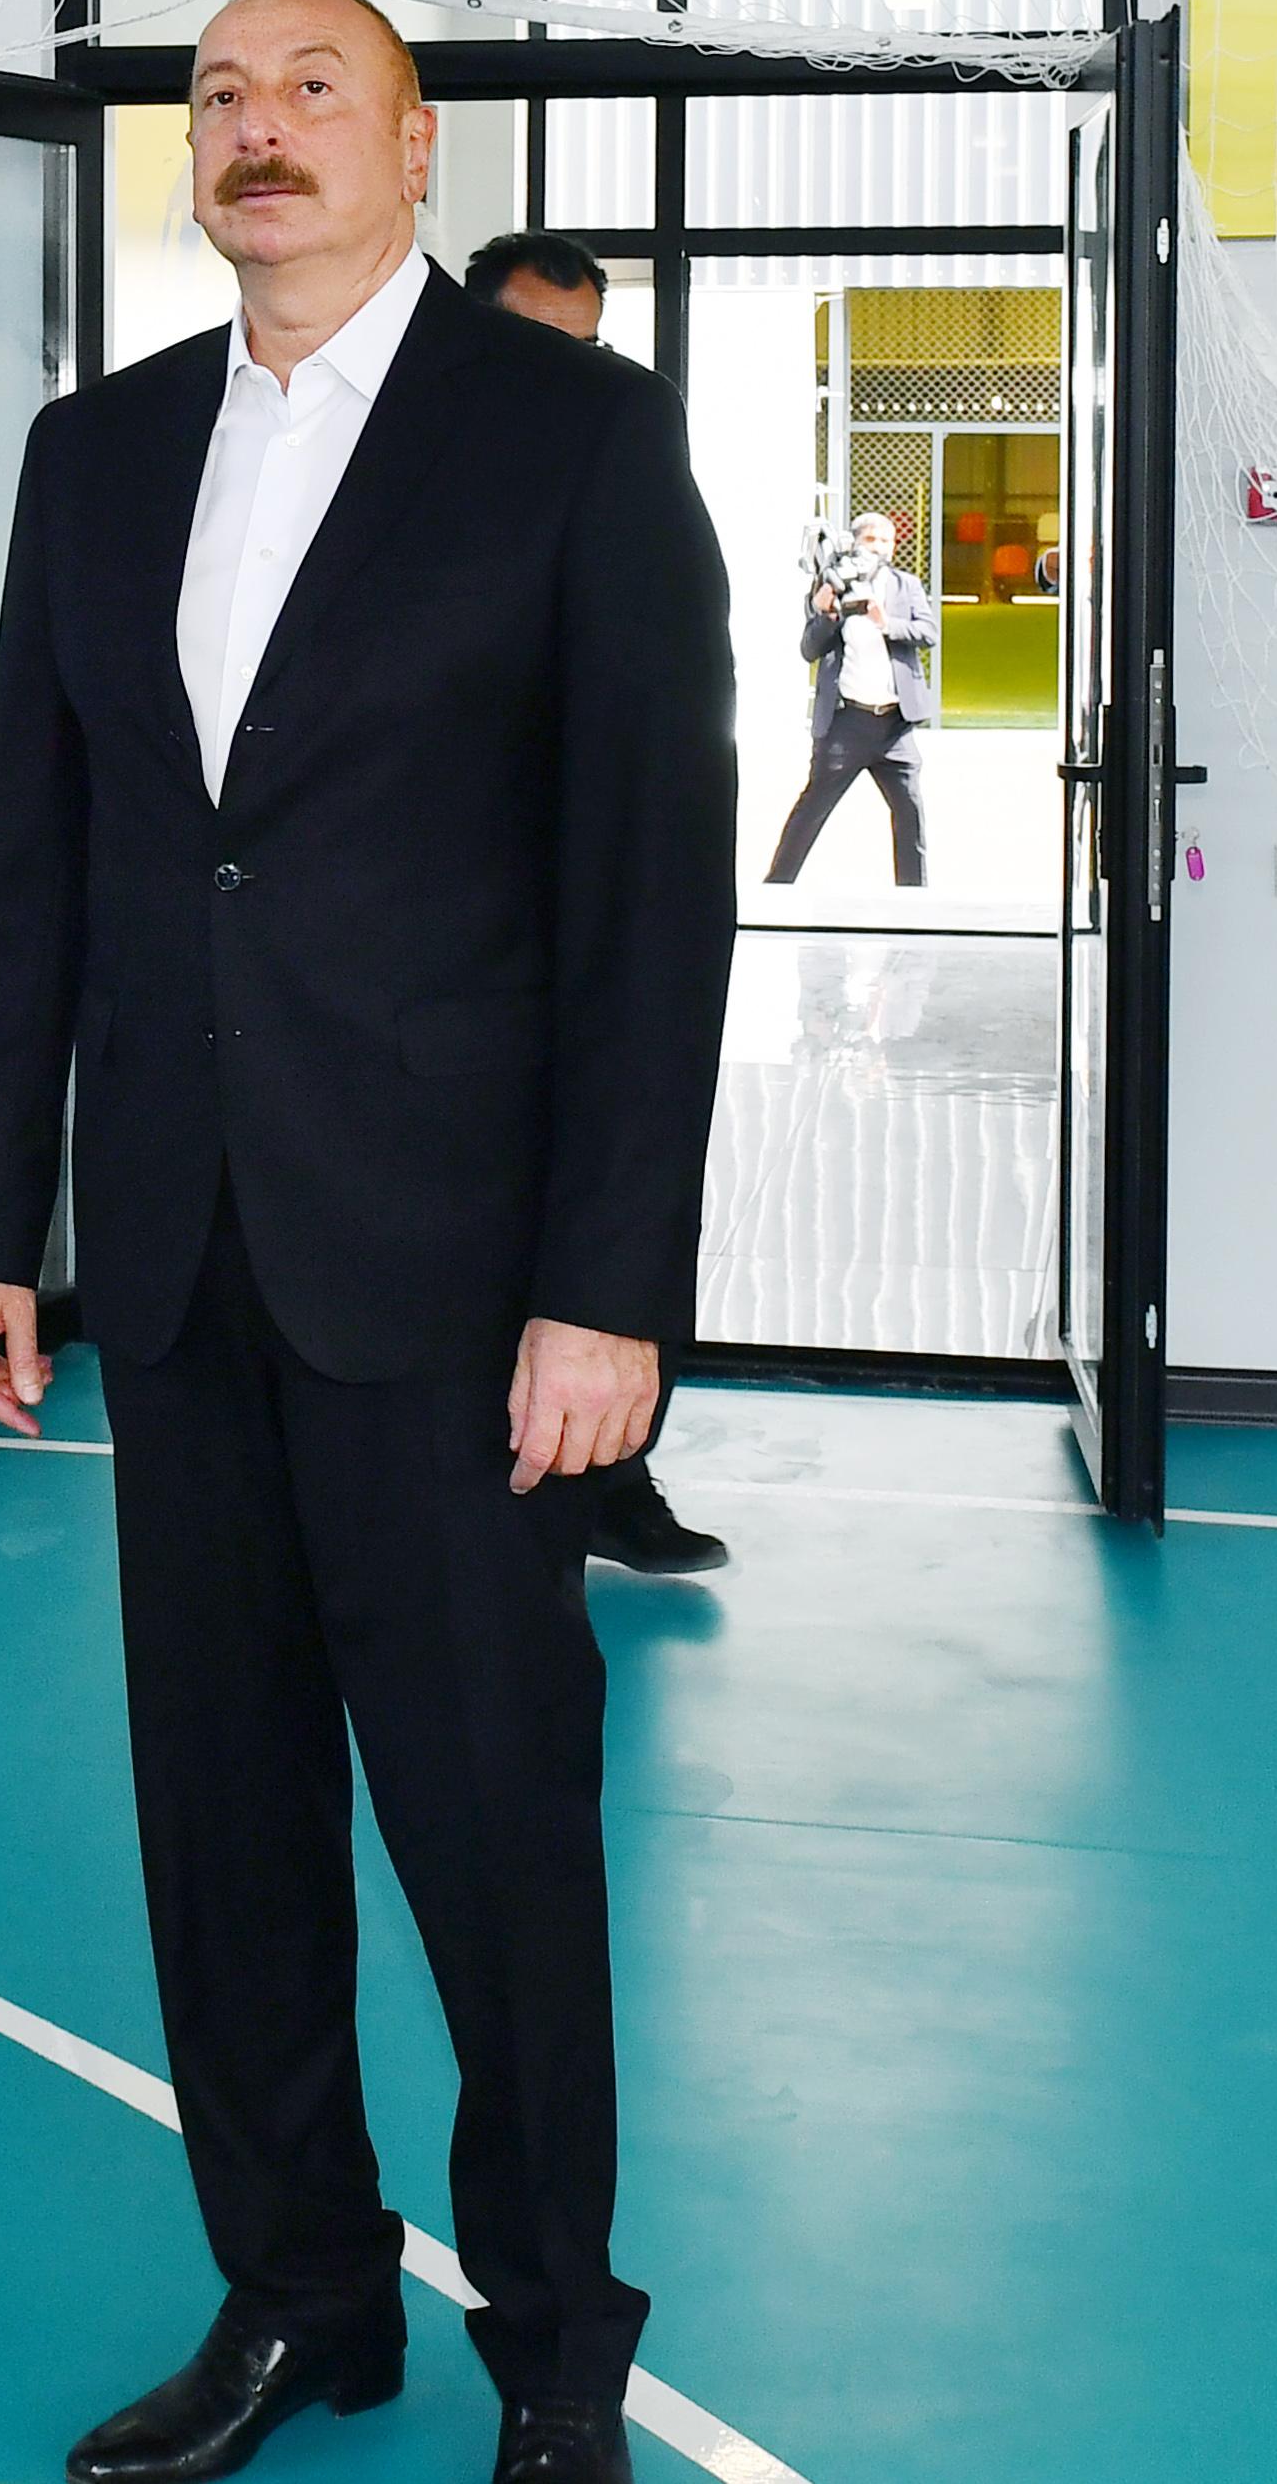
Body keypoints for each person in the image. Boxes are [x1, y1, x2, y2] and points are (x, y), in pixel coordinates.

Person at [0, 0, 733, 2484]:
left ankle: (557, 2354)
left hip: (458, 1283)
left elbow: (649, 895)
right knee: (226, 1829)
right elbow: (38, 852)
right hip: (180, 1263)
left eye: (310, 91)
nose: (252, 127)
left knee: (495, 1843)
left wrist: (607, 1288)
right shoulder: (93, 452)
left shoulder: (573, 440)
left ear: (410, 149)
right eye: (216, 95)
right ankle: (298, 2298)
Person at [458, 231, 729, 1585]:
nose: (563, 368)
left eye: (585, 342)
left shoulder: (620, 441)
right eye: (533, 338)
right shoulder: (409, 468)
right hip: (459, 945)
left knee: (615, 1194)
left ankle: (616, 1473)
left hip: (591, 911)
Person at [762, 509, 936, 888]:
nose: (879, 547)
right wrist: (825, 614)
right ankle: (777, 884)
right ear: (854, 542)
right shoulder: (833, 584)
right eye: (871, 539)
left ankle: (914, 894)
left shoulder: (905, 586)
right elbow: (809, 649)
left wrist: (886, 623)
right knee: (812, 807)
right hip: (846, 724)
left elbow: (928, 632)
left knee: (910, 810)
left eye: (886, 541)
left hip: (894, 725)